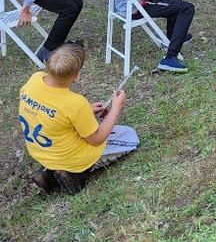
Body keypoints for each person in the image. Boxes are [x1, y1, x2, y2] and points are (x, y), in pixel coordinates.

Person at [18, 43, 138, 195]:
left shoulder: (35, 79)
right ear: (77, 74)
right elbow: (97, 139)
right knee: (131, 137)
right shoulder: (75, 102)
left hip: (41, 151)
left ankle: (48, 170)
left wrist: (86, 111)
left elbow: (52, 112)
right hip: (70, 157)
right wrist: (116, 108)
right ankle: (74, 174)